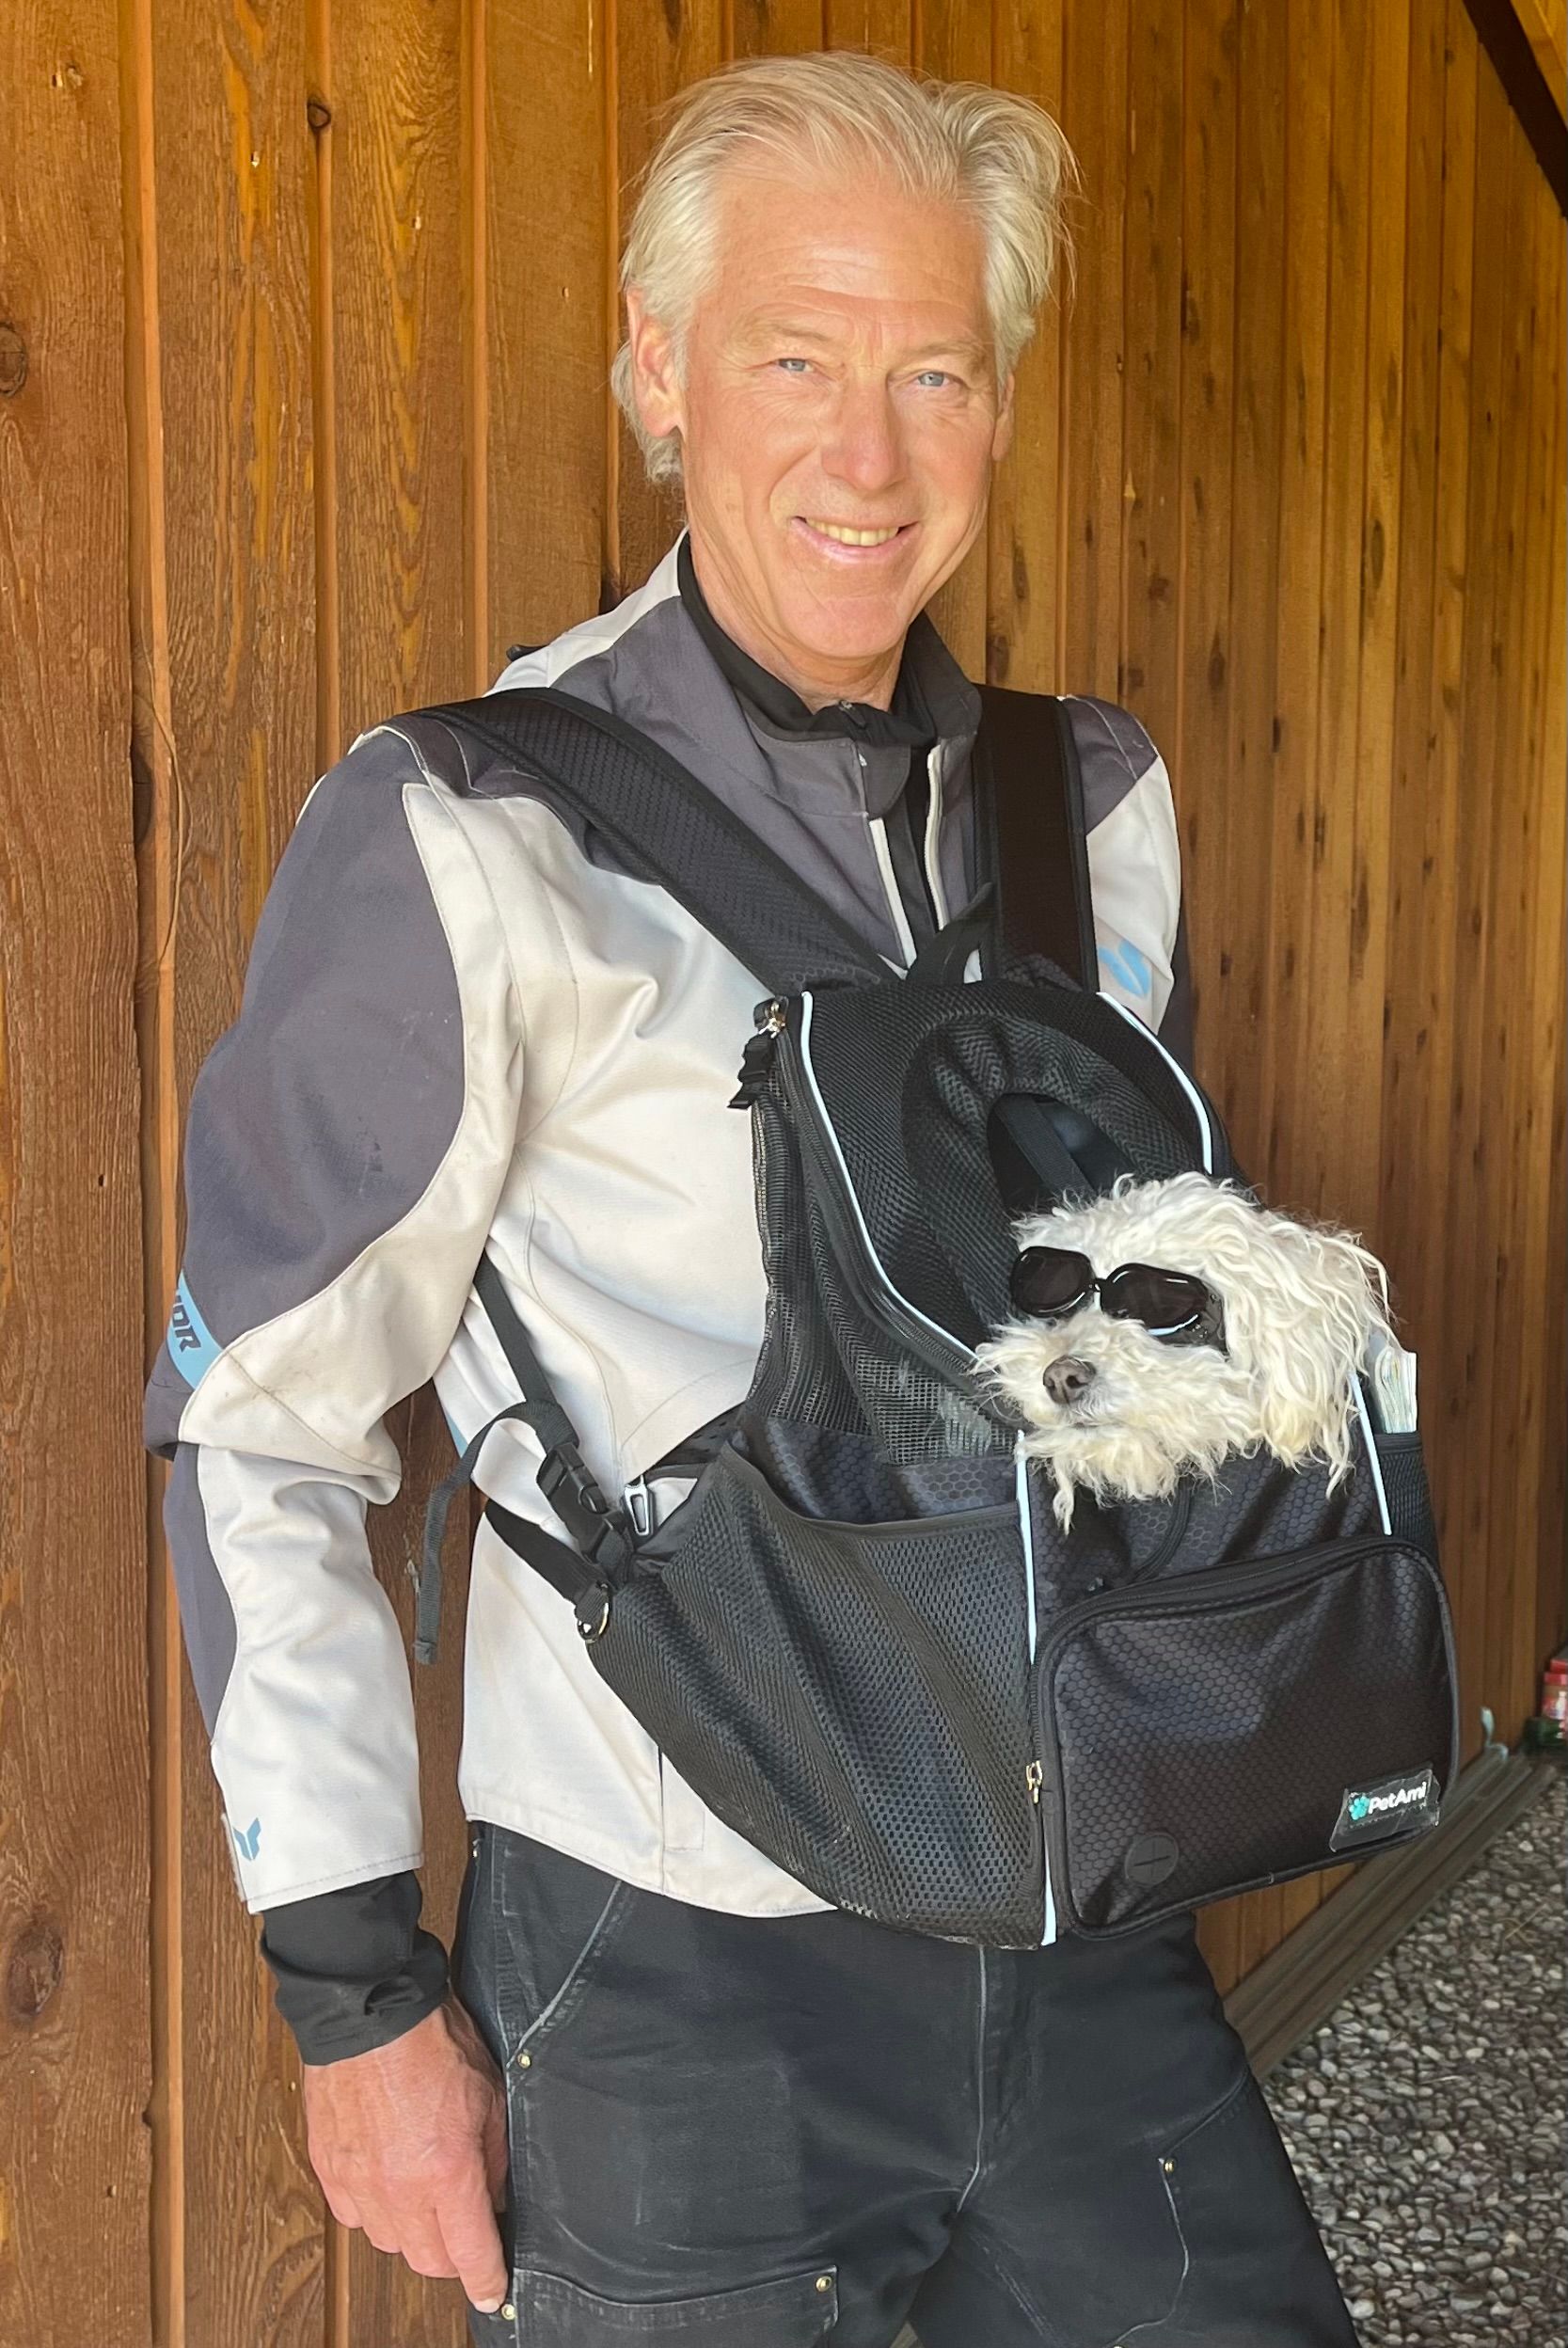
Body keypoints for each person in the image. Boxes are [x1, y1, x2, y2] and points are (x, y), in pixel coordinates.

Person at [146, 51, 1357, 2348]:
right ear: (658, 368)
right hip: (669, 1965)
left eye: (934, 374)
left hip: (1074, 1903)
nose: (867, 456)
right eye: (796, 360)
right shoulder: (470, 834)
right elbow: (259, 1427)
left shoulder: (1091, 809)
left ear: (999, 407)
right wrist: (352, 1999)